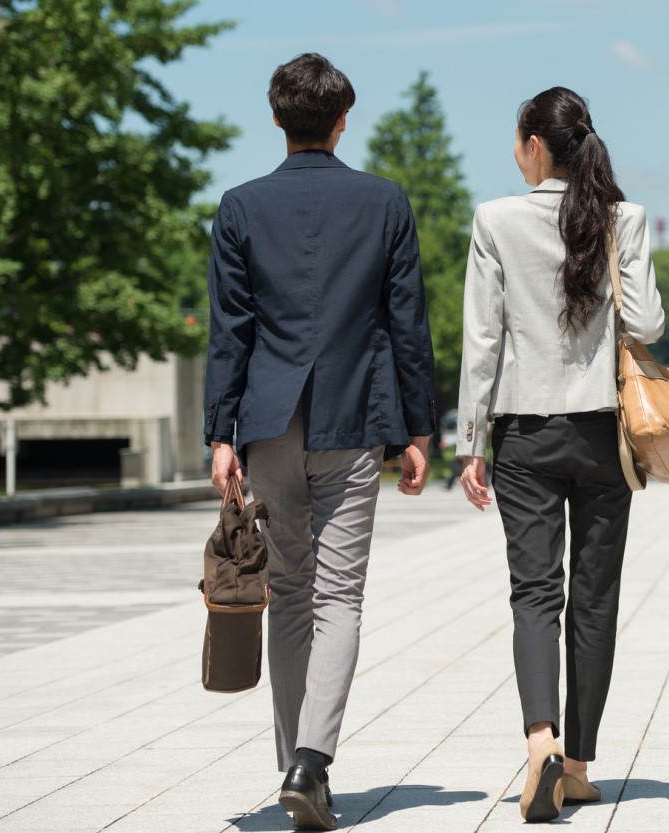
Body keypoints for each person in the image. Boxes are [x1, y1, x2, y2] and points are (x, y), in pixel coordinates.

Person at [204, 53, 437, 832]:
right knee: (339, 596)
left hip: (268, 420)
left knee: (291, 594)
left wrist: (220, 433)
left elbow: (229, 331)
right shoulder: (383, 202)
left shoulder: (240, 206)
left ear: (276, 118)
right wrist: (418, 427)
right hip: (351, 415)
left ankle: (297, 764)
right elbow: (406, 322)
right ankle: (312, 762)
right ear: (343, 120)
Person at [455, 86, 664, 823]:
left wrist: (468, 441)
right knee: (594, 600)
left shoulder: (495, 220)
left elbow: (483, 340)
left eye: (517, 142)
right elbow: (648, 320)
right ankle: (576, 766)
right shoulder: (623, 218)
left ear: (535, 146)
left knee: (534, 591)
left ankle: (538, 739)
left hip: (523, 432)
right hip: (603, 433)